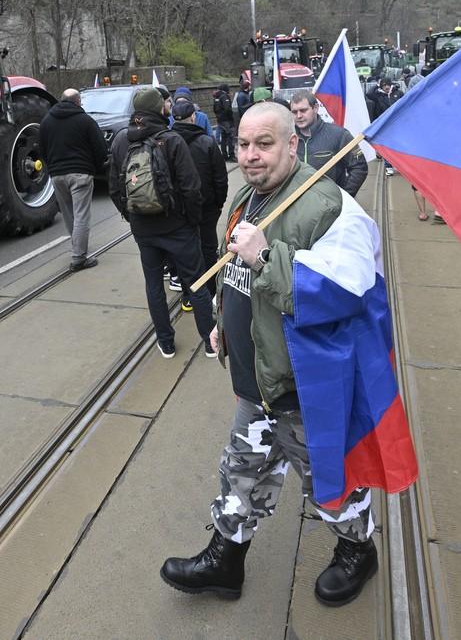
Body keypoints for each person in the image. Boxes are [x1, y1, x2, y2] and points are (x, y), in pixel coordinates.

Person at [160, 101, 379, 607]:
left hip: (303, 388)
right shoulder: (247, 196)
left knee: (329, 478)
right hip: (256, 378)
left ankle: (357, 549)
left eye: (264, 144)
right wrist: (224, 324)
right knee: (241, 469)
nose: (250, 156)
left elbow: (343, 294)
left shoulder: (327, 206)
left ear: (292, 144)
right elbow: (234, 274)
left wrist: (264, 255)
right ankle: (226, 560)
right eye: (243, 144)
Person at [108, 87, 216, 357]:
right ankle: (210, 341)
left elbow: (114, 188)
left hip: (144, 230)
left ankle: (165, 342)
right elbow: (191, 187)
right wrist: (191, 221)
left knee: (154, 285)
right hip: (178, 227)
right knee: (196, 282)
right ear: (159, 108)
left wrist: (132, 217)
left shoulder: (121, 140)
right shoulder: (171, 139)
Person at [171, 96, 229, 318]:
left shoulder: (166, 142)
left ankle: (188, 294)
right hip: (207, 208)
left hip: (179, 210)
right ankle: (211, 291)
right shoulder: (207, 142)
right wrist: (218, 203)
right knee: (208, 249)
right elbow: (220, 177)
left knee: (185, 252)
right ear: (193, 117)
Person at [39, 90, 108, 270]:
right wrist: (94, 168)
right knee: (81, 215)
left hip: (57, 175)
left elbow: (41, 149)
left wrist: (52, 168)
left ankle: (78, 246)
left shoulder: (46, 121)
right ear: (78, 101)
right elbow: (100, 148)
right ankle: (79, 258)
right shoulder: (85, 120)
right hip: (81, 173)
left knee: (69, 215)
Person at [288, 92, 368, 196]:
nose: (299, 116)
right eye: (294, 112)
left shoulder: (339, 135)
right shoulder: (287, 138)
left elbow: (359, 167)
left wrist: (343, 197)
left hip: (331, 202)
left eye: (303, 110)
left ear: (315, 108)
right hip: (296, 203)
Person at [212, 83, 236, 156]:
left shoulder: (216, 97)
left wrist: (218, 116)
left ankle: (224, 154)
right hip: (227, 120)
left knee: (223, 137)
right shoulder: (224, 96)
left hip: (220, 120)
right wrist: (231, 117)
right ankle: (231, 154)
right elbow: (227, 109)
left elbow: (214, 109)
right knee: (230, 137)